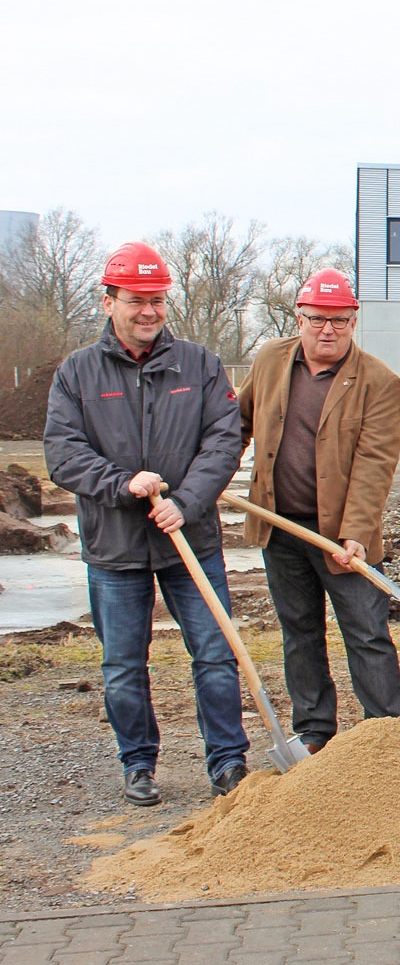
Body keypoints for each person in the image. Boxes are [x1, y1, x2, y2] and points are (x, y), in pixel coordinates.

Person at [44, 242, 250, 806]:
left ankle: (228, 762)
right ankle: (138, 764)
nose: (149, 312)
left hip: (191, 541)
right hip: (115, 546)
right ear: (109, 301)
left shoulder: (200, 365)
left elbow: (223, 439)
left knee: (215, 653)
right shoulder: (78, 372)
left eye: (157, 300)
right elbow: (62, 452)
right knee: (122, 667)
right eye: (136, 300)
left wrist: (185, 500)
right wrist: (122, 484)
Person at [239, 268, 400, 752]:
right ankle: (313, 730)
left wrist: (354, 531)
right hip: (279, 526)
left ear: (354, 320)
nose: (327, 330)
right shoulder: (270, 361)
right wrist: (204, 481)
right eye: (316, 319)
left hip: (341, 536)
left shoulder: (378, 381)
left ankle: (384, 731)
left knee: (367, 631)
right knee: (299, 632)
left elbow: (375, 463)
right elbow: (238, 424)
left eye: (338, 321)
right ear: (299, 316)